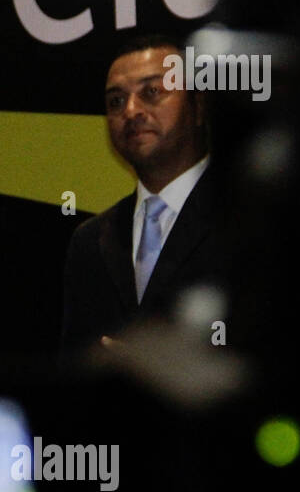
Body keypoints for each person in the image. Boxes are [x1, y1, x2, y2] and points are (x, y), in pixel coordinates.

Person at [61, 34, 228, 352]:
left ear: (198, 106)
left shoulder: (247, 221)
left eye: (152, 92)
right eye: (116, 101)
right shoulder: (90, 241)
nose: (131, 110)